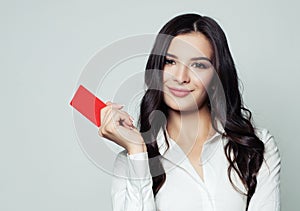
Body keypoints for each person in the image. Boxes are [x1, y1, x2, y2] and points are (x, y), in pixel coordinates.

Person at [98, 13, 280, 211]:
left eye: (198, 65)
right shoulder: (132, 161)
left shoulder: (257, 148)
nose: (181, 77)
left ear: (217, 76)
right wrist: (137, 152)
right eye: (170, 62)